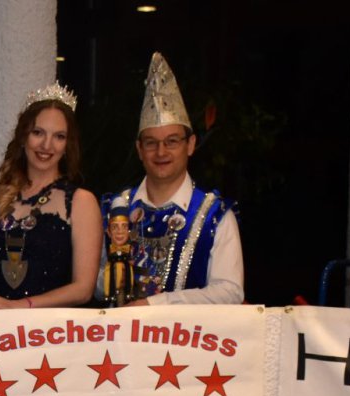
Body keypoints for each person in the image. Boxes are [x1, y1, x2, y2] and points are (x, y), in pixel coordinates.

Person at [99, 52, 244, 306]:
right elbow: (93, 283)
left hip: (190, 333)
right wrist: (110, 280)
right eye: (151, 143)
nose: (161, 152)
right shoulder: (116, 209)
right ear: (139, 149)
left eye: (172, 141)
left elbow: (229, 293)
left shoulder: (215, 215)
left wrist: (157, 305)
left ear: (191, 145)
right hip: (120, 332)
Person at [0, 82, 102, 310]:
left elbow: (83, 288)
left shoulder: (81, 202)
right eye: (38, 133)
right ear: (23, 137)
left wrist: (19, 307)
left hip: (49, 330)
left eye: (59, 136)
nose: (47, 145)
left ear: (67, 145)